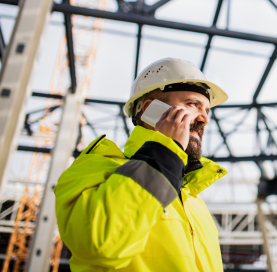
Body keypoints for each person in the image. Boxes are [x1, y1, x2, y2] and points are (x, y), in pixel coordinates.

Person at [55, 58, 229, 271]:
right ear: (150, 110)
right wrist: (166, 150)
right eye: (193, 104)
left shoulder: (194, 202)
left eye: (207, 110)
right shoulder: (94, 169)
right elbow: (101, 243)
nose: (204, 119)